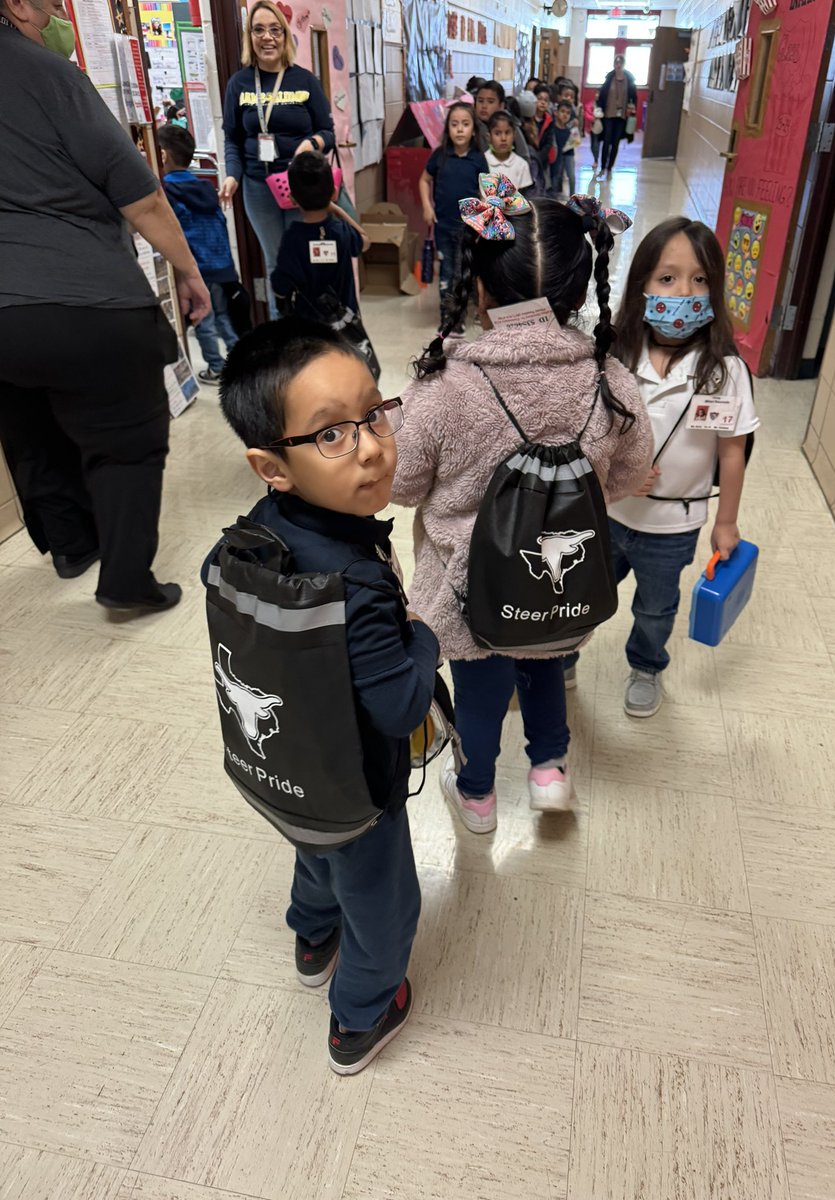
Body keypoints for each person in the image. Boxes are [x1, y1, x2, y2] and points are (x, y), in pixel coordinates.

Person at [211, 317, 439, 1073]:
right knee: (383, 899)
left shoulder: (251, 536)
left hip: (286, 767)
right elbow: (402, 709)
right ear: (271, 465)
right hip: (356, 785)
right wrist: (423, 635)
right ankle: (361, 1013)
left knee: (315, 851)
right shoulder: (360, 583)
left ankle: (312, 934)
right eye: (331, 436)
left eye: (374, 414)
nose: (372, 445)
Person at [392, 184, 653, 831]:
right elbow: (630, 470)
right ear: (576, 290)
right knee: (546, 671)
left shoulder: (445, 382)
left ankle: (477, 797)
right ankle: (549, 773)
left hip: (469, 593)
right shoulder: (607, 377)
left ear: (480, 288)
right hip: (560, 587)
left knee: (482, 693)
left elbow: (399, 484)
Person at [0, 0, 210, 613]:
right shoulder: (47, 73)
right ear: (16, 5)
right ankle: (125, 581)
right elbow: (140, 197)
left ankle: (71, 546)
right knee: (126, 441)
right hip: (85, 295)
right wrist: (188, 271)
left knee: (28, 429)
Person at [607, 217, 759, 717]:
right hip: (607, 513)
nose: (683, 292)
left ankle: (646, 665)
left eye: (699, 280)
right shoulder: (617, 355)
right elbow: (589, 428)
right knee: (583, 591)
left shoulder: (725, 369)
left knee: (655, 606)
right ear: (642, 286)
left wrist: (728, 522)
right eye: (667, 279)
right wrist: (616, 469)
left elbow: (732, 450)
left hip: (673, 526)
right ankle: (561, 655)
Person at [220, 0, 336, 300]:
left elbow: (328, 133)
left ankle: (313, 335)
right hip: (259, 187)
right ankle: (285, 340)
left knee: (306, 261)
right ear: (250, 37)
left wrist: (312, 144)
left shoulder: (305, 80)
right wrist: (232, 176)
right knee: (276, 265)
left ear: (284, 36)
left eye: (274, 30)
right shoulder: (239, 84)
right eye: (258, 30)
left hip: (301, 185)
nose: (267, 37)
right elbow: (232, 137)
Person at [159, 124, 240, 384]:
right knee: (222, 314)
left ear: (163, 155)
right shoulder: (206, 187)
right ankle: (240, 364)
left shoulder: (166, 191)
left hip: (193, 265)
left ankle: (216, 367)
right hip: (220, 262)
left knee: (202, 318)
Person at [419, 102, 488, 334]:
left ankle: (460, 316)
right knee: (447, 273)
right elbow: (423, 180)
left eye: (465, 124)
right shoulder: (440, 156)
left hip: (468, 228)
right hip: (443, 227)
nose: (460, 129)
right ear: (447, 127)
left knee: (463, 273)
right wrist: (427, 207)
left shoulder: (478, 159)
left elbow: (485, 190)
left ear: (474, 130)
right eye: (454, 124)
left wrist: (484, 213)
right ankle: (447, 319)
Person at [271, 151, 367, 317]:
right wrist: (337, 209)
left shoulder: (292, 239)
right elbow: (365, 241)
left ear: (292, 198)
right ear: (334, 193)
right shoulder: (341, 232)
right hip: (345, 328)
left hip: (309, 332)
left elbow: (280, 286)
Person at [596, 54, 637, 177]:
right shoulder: (609, 79)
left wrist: (631, 108)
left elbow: (633, 98)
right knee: (606, 141)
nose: (618, 65)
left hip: (622, 116)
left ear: (623, 65)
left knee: (615, 142)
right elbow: (602, 95)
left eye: (620, 63)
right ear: (614, 65)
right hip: (609, 114)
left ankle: (609, 168)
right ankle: (602, 167)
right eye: (616, 63)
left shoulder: (629, 81)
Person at [473, 80, 530, 159]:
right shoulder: (471, 126)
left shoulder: (511, 126)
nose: (484, 106)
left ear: (501, 106)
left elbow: (524, 157)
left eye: (490, 102)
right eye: (480, 101)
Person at [484, 111, 533, 193]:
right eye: (497, 133)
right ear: (489, 137)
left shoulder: (521, 165)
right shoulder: (482, 161)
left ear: (514, 135)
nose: (503, 138)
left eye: (507, 133)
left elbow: (525, 196)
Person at [549, 99, 578, 198]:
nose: (565, 115)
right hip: (556, 156)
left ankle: (573, 199)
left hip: (569, 154)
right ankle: (553, 198)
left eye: (568, 113)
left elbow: (575, 141)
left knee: (572, 177)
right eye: (562, 111)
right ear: (556, 113)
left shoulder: (570, 129)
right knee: (556, 176)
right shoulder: (552, 128)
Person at [533, 84, 556, 185]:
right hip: (530, 158)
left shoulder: (549, 120)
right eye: (540, 99)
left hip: (543, 159)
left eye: (546, 100)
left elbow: (549, 142)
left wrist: (540, 157)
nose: (542, 102)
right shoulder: (528, 118)